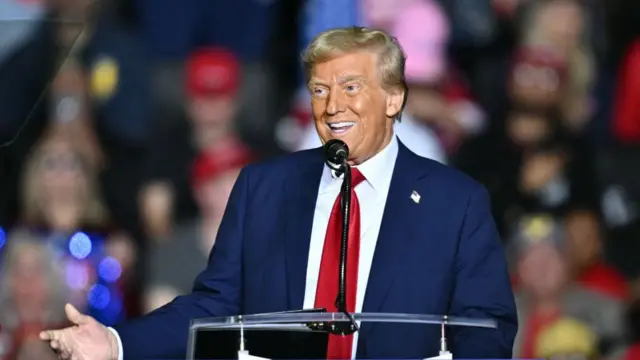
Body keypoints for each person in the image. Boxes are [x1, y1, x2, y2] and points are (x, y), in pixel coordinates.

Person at [40, 26, 517, 360]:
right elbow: (213, 305)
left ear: (394, 98)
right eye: (319, 90)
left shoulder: (455, 203)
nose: (332, 107)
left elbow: (488, 331)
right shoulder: (263, 188)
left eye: (351, 87)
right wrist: (117, 344)